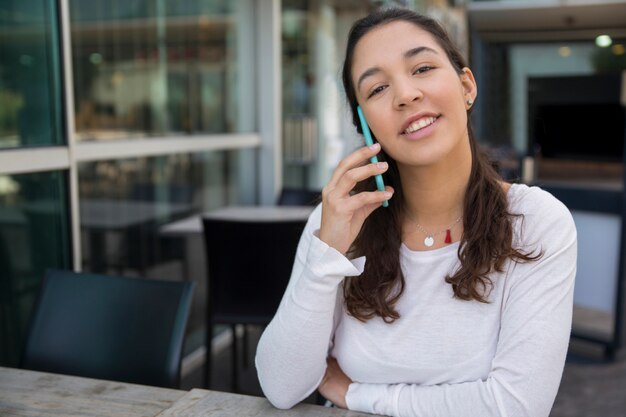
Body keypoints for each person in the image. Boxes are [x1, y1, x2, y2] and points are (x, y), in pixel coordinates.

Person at [255, 7, 577, 417]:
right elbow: (282, 387)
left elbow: (515, 406)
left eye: (422, 68)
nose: (405, 94)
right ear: (364, 124)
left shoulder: (535, 221)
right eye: (376, 90)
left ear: (467, 86)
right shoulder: (340, 220)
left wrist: (356, 394)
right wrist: (327, 253)